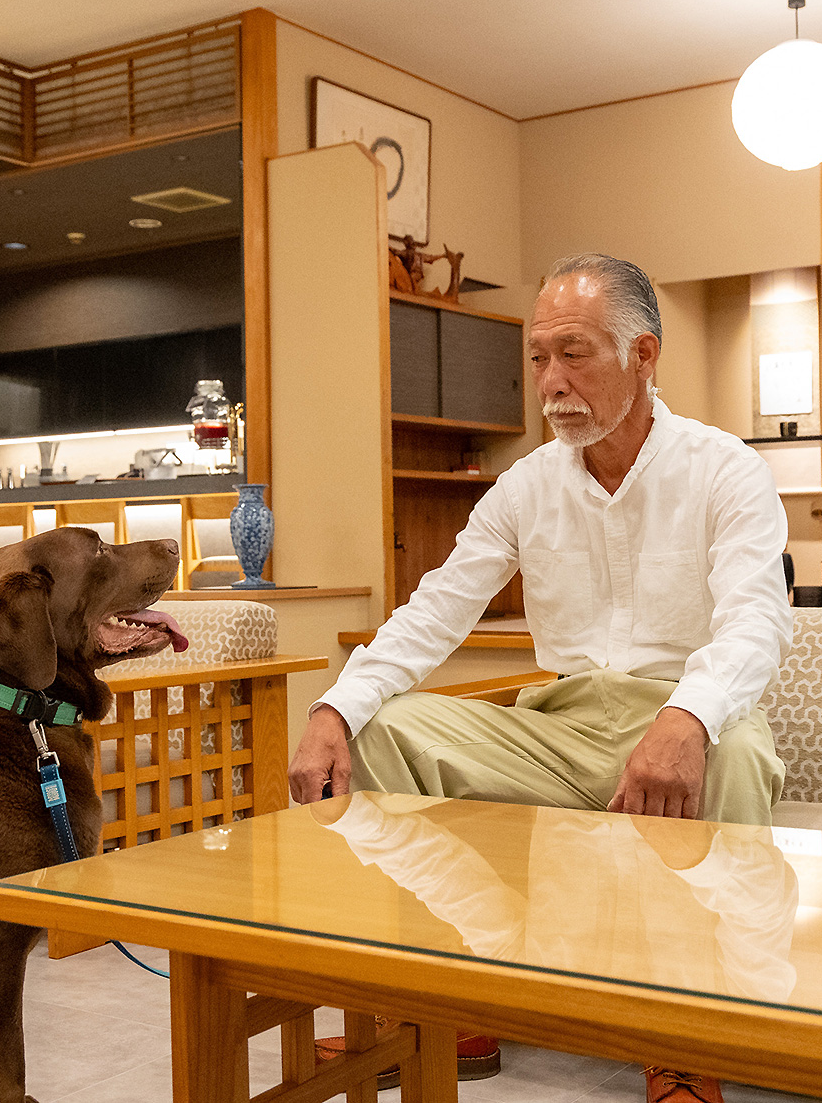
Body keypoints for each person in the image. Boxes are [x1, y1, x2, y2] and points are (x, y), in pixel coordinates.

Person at [290, 253, 793, 1103]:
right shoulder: (524, 487)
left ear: (644, 354)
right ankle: (476, 983)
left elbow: (756, 619)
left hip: (686, 714)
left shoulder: (723, 468)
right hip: (559, 724)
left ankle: (685, 1039)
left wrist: (689, 718)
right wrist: (335, 705)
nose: (551, 382)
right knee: (383, 731)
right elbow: (436, 609)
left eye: (575, 354)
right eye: (537, 358)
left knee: (734, 758)